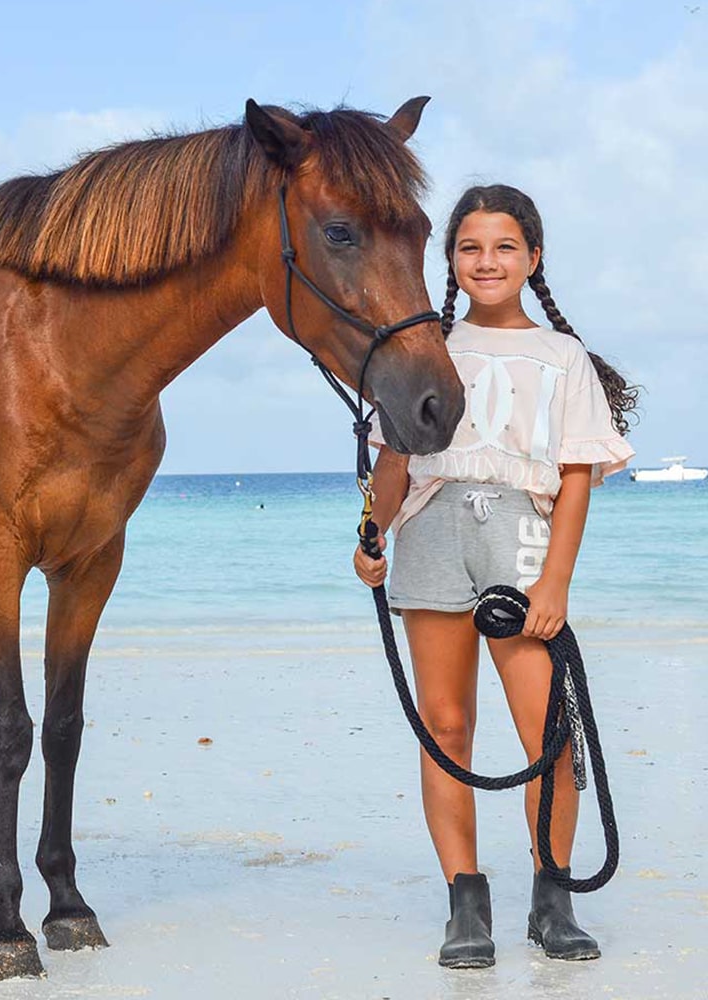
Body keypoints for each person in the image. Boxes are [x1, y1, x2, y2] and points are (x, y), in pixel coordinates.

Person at [354, 184, 637, 968]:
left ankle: (553, 899)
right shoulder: (423, 347)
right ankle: (465, 904)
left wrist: (557, 583)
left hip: (519, 540)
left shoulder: (561, 357)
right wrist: (372, 531)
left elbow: (576, 477)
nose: (488, 261)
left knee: (548, 732)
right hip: (431, 537)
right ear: (450, 261)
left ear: (533, 259)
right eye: (471, 247)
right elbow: (395, 462)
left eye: (505, 247)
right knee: (445, 727)